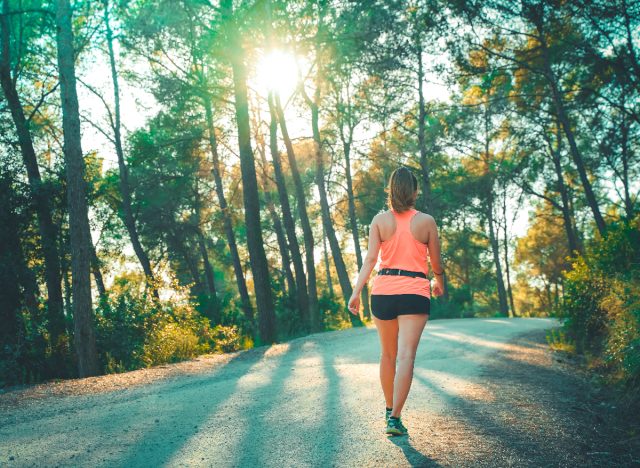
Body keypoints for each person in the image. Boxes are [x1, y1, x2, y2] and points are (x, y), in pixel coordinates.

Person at [348, 166, 444, 436]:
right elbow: (436, 263)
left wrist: (356, 292)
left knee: (387, 355)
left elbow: (370, 260)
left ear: (390, 191)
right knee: (406, 357)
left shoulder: (379, 220)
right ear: (414, 191)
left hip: (383, 292)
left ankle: (389, 409)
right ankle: (395, 418)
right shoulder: (427, 221)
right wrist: (439, 284)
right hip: (414, 292)